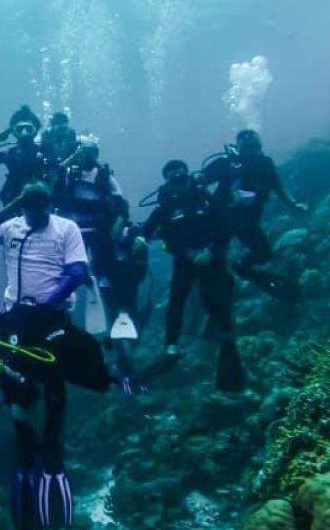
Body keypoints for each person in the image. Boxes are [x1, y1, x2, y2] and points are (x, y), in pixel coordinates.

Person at [0, 182, 111, 530]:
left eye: (42, 204)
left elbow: (77, 272)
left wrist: (46, 303)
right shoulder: (11, 226)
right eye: (29, 205)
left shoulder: (66, 228)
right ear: (22, 205)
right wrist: (5, 209)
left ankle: (53, 455)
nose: (36, 211)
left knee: (54, 380)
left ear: (50, 204)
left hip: (51, 318)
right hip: (15, 319)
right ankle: (26, 458)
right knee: (17, 389)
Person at [140, 160, 244, 392]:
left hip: (211, 257)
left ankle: (223, 337)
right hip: (185, 261)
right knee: (177, 299)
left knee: (219, 297)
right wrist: (140, 235)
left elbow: (226, 226)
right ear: (168, 183)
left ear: (189, 177)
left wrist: (212, 251)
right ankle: (171, 346)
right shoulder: (165, 207)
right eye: (173, 179)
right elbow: (146, 231)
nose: (178, 182)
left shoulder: (206, 199)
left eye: (181, 177)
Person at [201, 129, 309, 301]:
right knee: (212, 261)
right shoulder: (226, 164)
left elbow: (279, 188)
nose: (251, 151)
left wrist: (294, 203)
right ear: (238, 148)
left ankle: (240, 267)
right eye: (247, 147)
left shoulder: (266, 165)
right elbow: (199, 183)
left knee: (264, 253)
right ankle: (215, 298)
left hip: (248, 223)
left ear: (260, 146)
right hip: (221, 221)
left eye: (254, 147)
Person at [51, 135, 127, 333]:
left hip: (99, 230)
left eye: (90, 153)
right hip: (73, 231)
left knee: (107, 268)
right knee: (68, 270)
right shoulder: (65, 173)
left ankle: (119, 310)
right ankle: (64, 308)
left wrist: (119, 221)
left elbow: (120, 202)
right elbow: (50, 191)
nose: (85, 157)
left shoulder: (103, 175)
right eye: (81, 152)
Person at [105, 197, 149, 394]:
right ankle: (125, 372)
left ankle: (129, 368)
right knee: (118, 322)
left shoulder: (131, 231)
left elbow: (141, 257)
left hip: (127, 280)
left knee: (131, 319)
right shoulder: (99, 234)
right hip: (110, 283)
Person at [0, 105, 46, 206]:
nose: (24, 133)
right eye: (20, 129)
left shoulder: (44, 150)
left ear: (35, 131)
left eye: (28, 129)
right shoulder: (9, 153)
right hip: (13, 200)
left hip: (36, 199)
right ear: (14, 132)